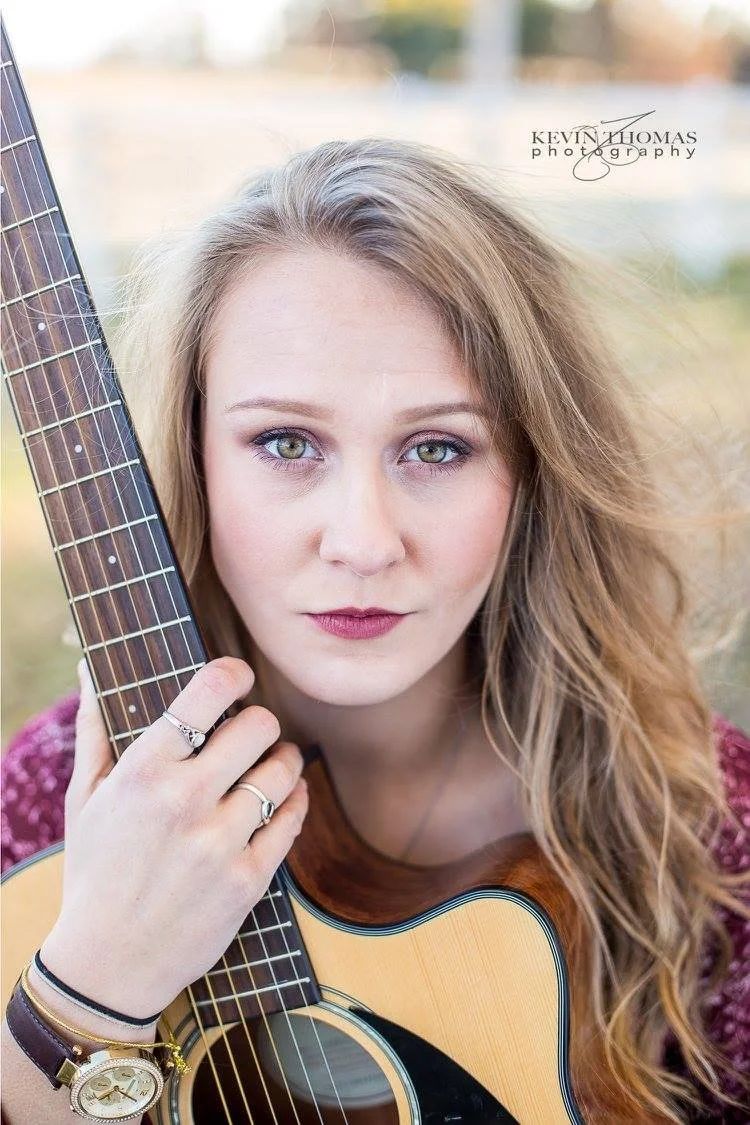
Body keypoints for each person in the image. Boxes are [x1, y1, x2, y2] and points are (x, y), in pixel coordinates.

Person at [1, 137, 748, 1124]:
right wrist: (89, 978)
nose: (363, 542)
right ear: (193, 453)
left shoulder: (702, 823)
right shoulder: (62, 790)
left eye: (437, 447)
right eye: (285, 442)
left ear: (533, 471)